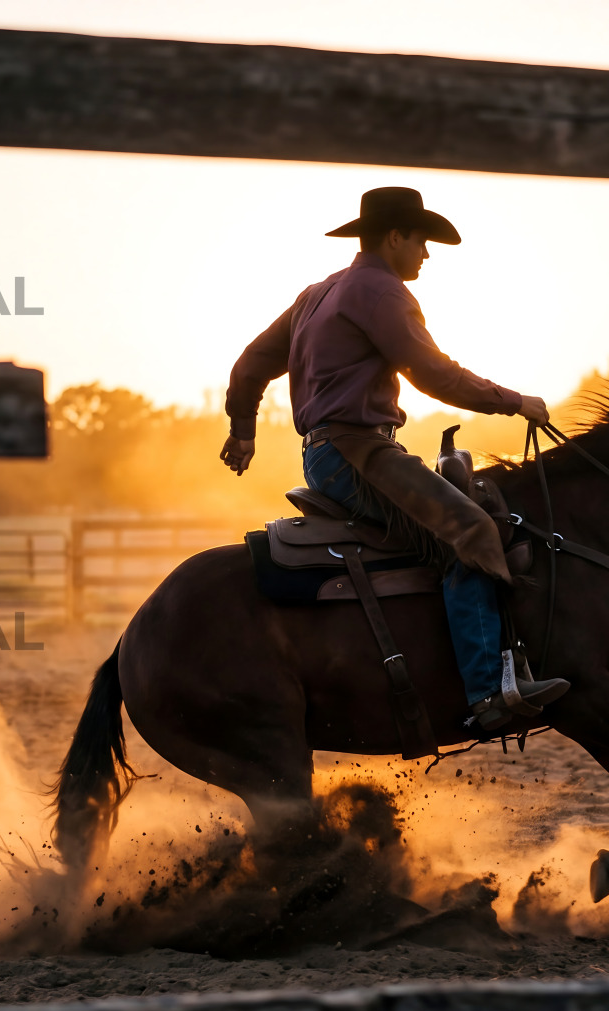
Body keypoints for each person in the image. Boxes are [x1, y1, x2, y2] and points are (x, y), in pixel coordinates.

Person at [220, 186, 570, 730]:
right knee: (471, 529)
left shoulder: (317, 294)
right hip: (359, 452)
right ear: (395, 237)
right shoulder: (381, 292)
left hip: (327, 452)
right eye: (422, 241)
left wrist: (243, 431)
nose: (426, 254)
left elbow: (250, 364)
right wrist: (514, 402)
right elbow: (432, 373)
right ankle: (489, 694)